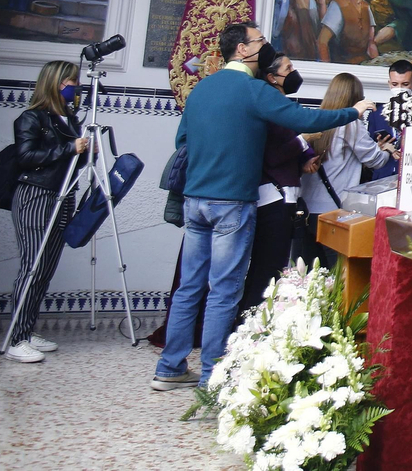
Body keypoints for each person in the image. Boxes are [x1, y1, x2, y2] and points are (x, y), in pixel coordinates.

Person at [151, 22, 373, 391]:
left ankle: (170, 367)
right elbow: (306, 119)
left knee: (190, 288)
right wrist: (354, 111)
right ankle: (212, 376)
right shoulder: (253, 90)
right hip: (231, 202)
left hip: (195, 201)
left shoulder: (202, 88)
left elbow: (183, 140)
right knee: (224, 289)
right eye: (260, 42)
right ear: (242, 49)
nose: (266, 47)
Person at [3, 59, 86, 363]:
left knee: (45, 270)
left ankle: (26, 328)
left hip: (62, 198)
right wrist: (70, 148)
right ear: (55, 83)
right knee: (32, 267)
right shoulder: (31, 118)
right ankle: (16, 338)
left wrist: (86, 151)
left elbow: (71, 161)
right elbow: (26, 157)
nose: (75, 87)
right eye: (70, 82)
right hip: (36, 196)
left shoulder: (68, 119)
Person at [238, 49, 317, 315]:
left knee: (276, 264)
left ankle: (260, 319)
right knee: (267, 265)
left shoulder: (280, 103)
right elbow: (271, 154)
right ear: (272, 77)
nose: (294, 72)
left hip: (284, 192)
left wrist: (304, 159)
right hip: (271, 195)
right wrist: (304, 138)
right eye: (289, 68)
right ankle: (250, 321)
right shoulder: (268, 107)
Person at [294, 73, 396, 268]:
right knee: (338, 276)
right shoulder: (350, 124)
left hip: (307, 212)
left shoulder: (316, 119)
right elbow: (376, 160)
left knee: (310, 276)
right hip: (335, 212)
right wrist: (385, 150)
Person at [319, 0, 379, 64]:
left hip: (363, 64)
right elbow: (322, 42)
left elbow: (370, 42)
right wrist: (327, 70)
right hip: (343, 65)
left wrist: (376, 64)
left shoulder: (366, 7)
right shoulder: (338, 5)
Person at [365, 60, 412, 180]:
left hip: (411, 175)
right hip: (383, 175)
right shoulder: (377, 113)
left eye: (405, 84)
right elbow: (368, 148)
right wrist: (381, 146)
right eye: (395, 84)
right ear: (389, 84)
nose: (400, 88)